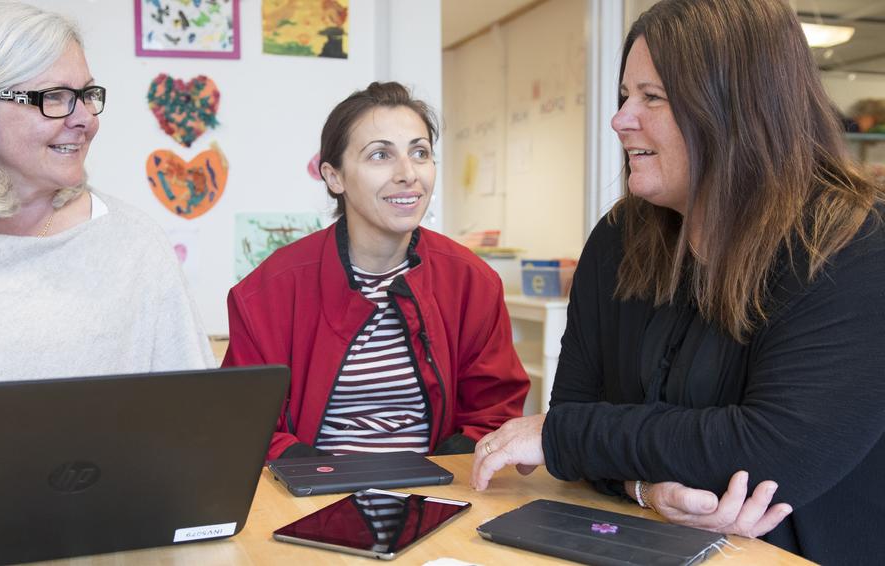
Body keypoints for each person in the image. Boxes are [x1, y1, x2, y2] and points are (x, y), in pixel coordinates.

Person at [470, 0, 885, 563]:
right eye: (624, 96)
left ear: (736, 108)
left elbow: (775, 450)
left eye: (652, 97)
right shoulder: (620, 237)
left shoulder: (852, 241)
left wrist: (566, 438)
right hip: (646, 543)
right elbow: (576, 404)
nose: (620, 119)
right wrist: (645, 489)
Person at [0, 1, 215, 387]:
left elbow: (193, 420)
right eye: (55, 97)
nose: (85, 120)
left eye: (87, 94)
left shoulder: (134, 245)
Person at [223, 82, 529, 461]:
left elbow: (494, 412)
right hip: (310, 500)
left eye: (419, 152)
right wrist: (321, 480)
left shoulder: (472, 283)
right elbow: (247, 425)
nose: (408, 173)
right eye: (380, 155)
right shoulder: (266, 294)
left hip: (436, 497)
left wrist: (448, 473)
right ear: (334, 177)